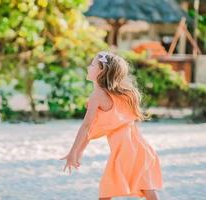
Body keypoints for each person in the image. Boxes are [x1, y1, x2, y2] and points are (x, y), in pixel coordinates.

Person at [59, 51, 163, 200]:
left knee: (106, 191)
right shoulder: (120, 94)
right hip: (141, 148)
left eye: (92, 64)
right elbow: (93, 129)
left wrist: (73, 152)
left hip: (125, 151)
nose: (89, 67)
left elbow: (86, 126)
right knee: (145, 188)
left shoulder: (97, 96)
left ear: (101, 70)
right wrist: (79, 151)